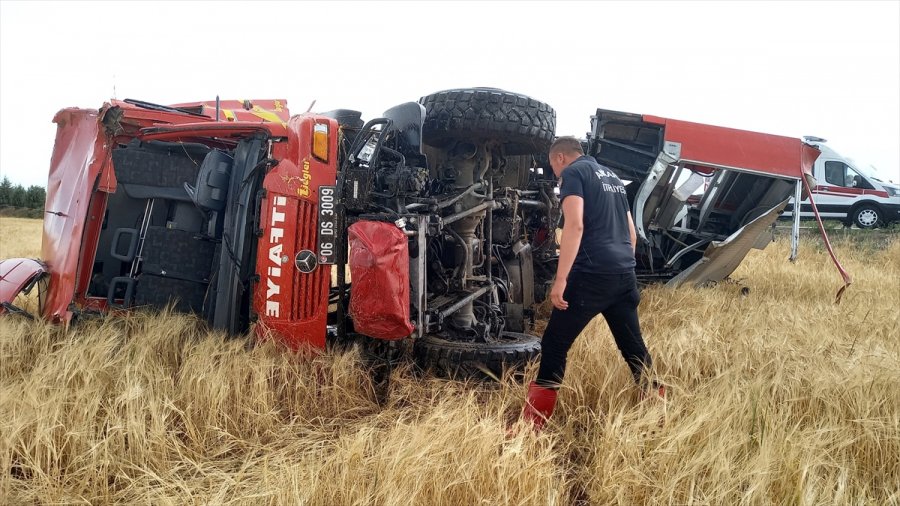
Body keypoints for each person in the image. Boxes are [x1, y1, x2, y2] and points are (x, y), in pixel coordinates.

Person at [521, 136, 661, 432]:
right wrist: (623, 265)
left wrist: (561, 280)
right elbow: (631, 233)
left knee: (554, 344)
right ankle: (658, 412)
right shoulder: (612, 178)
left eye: (553, 166)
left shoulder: (573, 173)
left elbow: (575, 225)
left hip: (591, 275)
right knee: (633, 347)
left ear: (560, 158)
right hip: (624, 275)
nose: (555, 173)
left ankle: (534, 425)